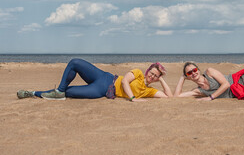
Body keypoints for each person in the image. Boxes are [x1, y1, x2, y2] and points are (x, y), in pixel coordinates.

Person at [17, 58, 172, 101]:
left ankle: (32, 93)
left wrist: (162, 80)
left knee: (70, 93)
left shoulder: (149, 91)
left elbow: (168, 97)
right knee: (75, 62)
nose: (152, 76)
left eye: (155, 76)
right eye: (151, 73)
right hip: (105, 78)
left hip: (102, 90)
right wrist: (132, 98)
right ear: (147, 71)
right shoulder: (138, 73)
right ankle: (59, 91)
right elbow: (125, 81)